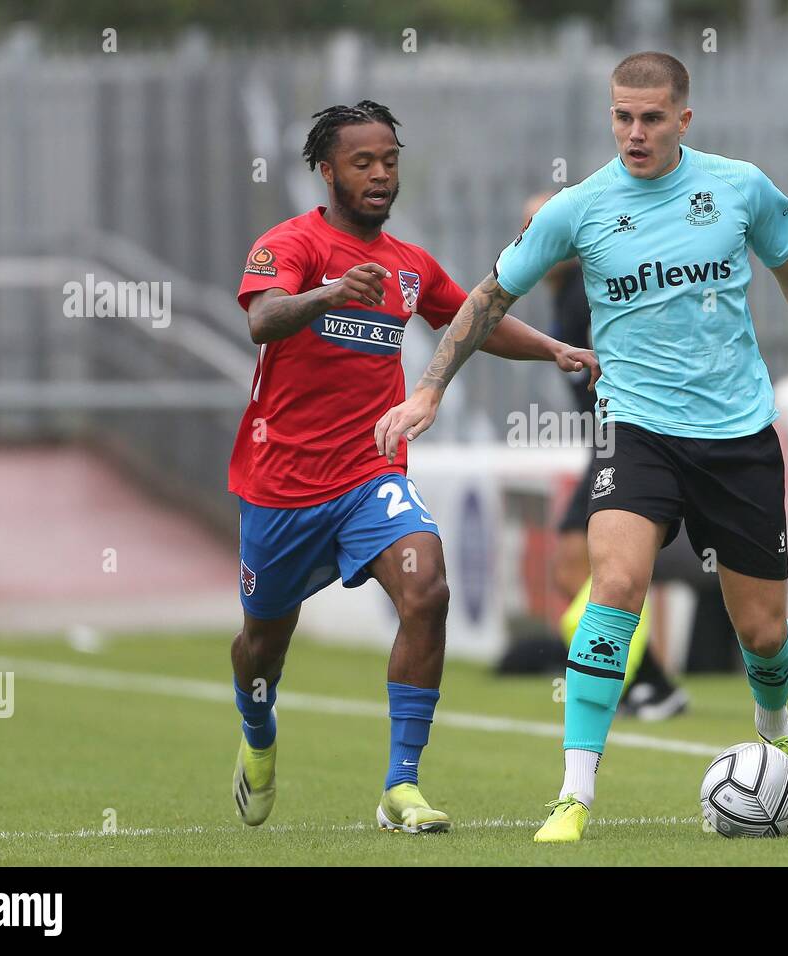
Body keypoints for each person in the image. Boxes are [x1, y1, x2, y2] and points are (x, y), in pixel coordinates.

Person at [376, 53, 788, 842]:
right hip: (635, 426)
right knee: (614, 583)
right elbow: (488, 297)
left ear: (683, 119)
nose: (635, 132)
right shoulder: (579, 209)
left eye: (651, 118)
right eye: (622, 116)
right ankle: (573, 794)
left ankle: (775, 725)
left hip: (738, 431)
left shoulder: (739, 187)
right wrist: (431, 388)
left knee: (762, 632)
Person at [228, 102, 597, 834]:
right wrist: (330, 293)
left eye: (390, 161)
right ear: (327, 172)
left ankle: (401, 784)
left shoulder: (409, 264)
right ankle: (259, 736)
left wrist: (553, 348)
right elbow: (263, 319)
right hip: (280, 487)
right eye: (363, 163)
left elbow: (474, 317)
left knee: (426, 588)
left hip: (372, 472)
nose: (380, 175)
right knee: (263, 645)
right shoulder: (289, 244)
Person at [518, 191, 689, 720]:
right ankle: (649, 684)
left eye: (549, 226)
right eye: (530, 227)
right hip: (607, 441)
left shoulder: (589, 288)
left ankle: (648, 685)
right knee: (574, 569)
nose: (541, 238)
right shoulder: (564, 292)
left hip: (630, 438)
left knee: (590, 568)